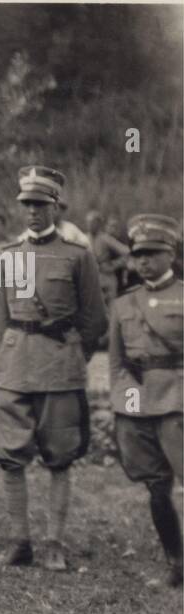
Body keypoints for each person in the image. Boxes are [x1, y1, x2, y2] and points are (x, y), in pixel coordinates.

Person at [0, 166, 105, 571]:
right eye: (26, 205)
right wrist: (20, 345)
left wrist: (72, 354)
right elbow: (1, 319)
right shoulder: (8, 257)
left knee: (60, 455)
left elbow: (94, 320)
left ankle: (54, 541)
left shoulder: (78, 256)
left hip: (60, 367)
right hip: (15, 367)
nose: (32, 212)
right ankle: (20, 541)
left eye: (40, 204)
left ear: (56, 206)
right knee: (10, 454)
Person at [107, 214, 183, 587]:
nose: (143, 261)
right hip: (138, 403)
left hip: (177, 401)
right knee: (156, 486)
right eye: (138, 255)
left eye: (152, 253)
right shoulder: (123, 304)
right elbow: (117, 362)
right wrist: (127, 401)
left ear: (171, 254)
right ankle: (176, 564)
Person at [87, 210, 131, 304]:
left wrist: (114, 265)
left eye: (92, 223)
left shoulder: (105, 238)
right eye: (88, 222)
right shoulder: (84, 238)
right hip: (91, 278)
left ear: (98, 224)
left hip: (107, 277)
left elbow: (127, 252)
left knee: (112, 307)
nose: (89, 225)